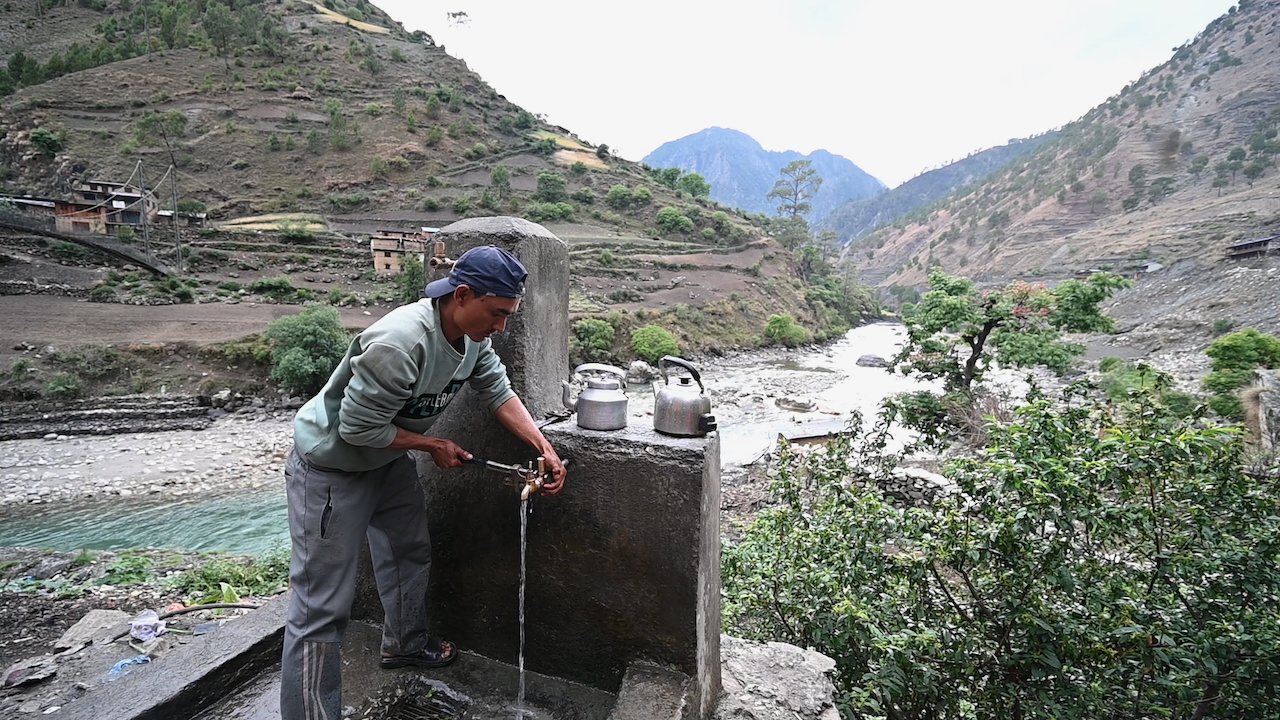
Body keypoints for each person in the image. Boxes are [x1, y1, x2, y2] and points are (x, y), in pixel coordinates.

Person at [279, 244, 567, 720]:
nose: (502, 327)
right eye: (497, 313)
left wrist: (543, 446)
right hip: (331, 470)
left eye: (509, 316)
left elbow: (497, 389)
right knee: (320, 607)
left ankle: (404, 646)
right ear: (463, 294)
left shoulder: (473, 337)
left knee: (408, 552)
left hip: (385, 461)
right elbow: (355, 428)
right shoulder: (400, 342)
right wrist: (433, 446)